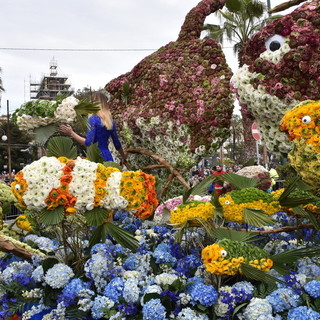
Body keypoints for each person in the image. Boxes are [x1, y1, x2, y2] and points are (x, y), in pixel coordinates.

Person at [60, 92, 127, 165]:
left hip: (96, 157)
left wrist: (71, 133)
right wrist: (124, 157)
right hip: (108, 157)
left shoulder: (93, 119)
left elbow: (88, 143)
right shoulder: (110, 121)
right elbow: (117, 144)